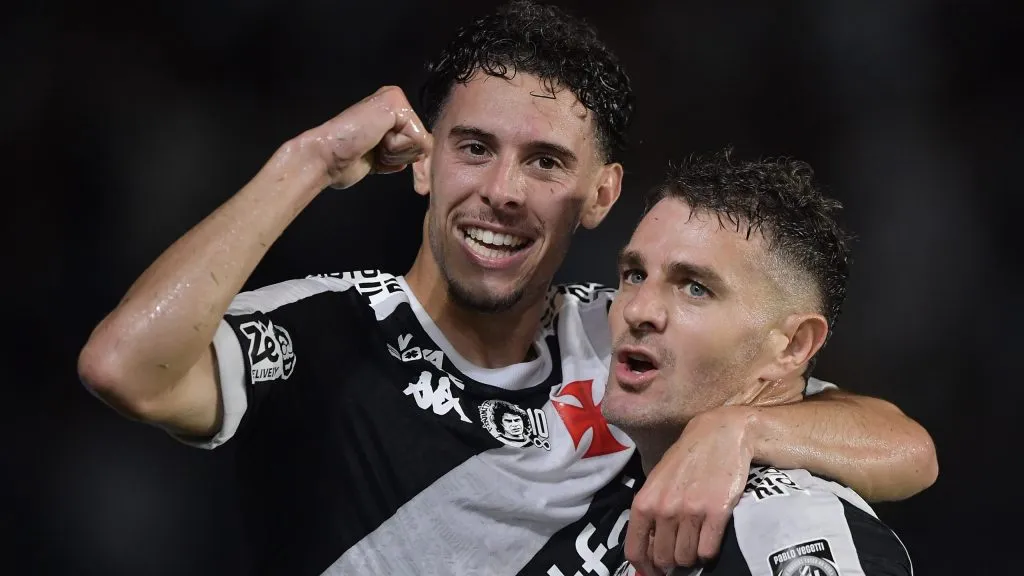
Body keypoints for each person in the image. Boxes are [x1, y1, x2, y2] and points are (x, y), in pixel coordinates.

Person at [77, 2, 936, 574]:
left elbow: (904, 448)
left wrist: (739, 429)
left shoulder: (627, 342)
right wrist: (307, 162)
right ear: (424, 163)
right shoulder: (331, 329)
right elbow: (124, 367)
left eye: (547, 162)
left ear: (601, 195)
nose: (503, 191)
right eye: (475, 147)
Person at [603, 151, 915, 576]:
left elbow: (912, 447)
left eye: (695, 288)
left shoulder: (792, 527)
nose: (638, 310)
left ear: (792, 346)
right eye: (635, 275)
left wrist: (741, 427)